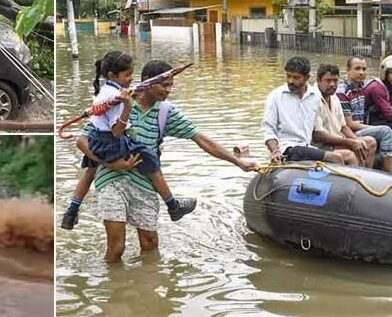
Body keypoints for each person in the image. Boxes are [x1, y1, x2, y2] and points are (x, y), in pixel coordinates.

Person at [72, 60, 257, 261]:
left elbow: (201, 139)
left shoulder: (165, 112)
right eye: (164, 85)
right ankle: (112, 287)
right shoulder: (116, 102)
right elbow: (82, 140)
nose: (169, 90)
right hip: (112, 180)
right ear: (147, 83)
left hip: (144, 183)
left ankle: (147, 283)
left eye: (171, 85)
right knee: (117, 247)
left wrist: (237, 162)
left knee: (150, 243)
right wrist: (109, 164)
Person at [61, 52, 197, 230]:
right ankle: (173, 206)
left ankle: (72, 210)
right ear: (112, 75)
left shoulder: (107, 91)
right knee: (152, 162)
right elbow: (117, 132)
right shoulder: (116, 98)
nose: (131, 79)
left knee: (90, 169)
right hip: (111, 142)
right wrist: (127, 106)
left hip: (98, 141)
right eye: (127, 75)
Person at [263, 57, 350, 164]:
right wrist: (275, 151)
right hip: (287, 149)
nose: (290, 81)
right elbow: (268, 130)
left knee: (342, 156)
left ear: (306, 78)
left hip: (306, 147)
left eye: (296, 78)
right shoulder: (275, 96)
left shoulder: (315, 97)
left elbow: (317, 130)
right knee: (335, 158)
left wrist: (345, 141)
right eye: (288, 76)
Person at [336, 56, 392, 173]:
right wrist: (377, 128)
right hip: (349, 132)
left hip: (360, 128)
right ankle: (388, 173)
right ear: (347, 70)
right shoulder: (343, 91)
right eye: (357, 69)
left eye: (364, 69)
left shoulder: (362, 87)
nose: (361, 72)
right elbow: (349, 124)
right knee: (386, 131)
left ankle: (383, 167)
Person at [312, 63, 377, 167]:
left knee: (370, 142)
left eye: (335, 81)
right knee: (351, 154)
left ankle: (366, 176)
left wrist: (355, 140)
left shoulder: (334, 97)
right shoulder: (313, 98)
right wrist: (349, 142)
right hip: (322, 145)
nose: (332, 84)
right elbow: (318, 135)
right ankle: (356, 179)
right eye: (328, 81)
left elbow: (343, 126)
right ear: (319, 81)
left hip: (337, 140)